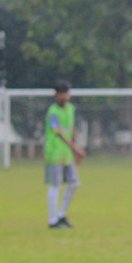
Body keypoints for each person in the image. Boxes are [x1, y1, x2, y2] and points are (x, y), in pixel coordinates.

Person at [44, 79, 85, 229]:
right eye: (62, 93)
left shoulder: (71, 109)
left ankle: (62, 215)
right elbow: (59, 133)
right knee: (55, 185)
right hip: (54, 152)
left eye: (67, 93)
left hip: (67, 153)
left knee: (74, 183)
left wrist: (75, 148)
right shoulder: (53, 112)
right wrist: (75, 148)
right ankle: (52, 220)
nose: (65, 96)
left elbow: (71, 129)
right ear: (56, 95)